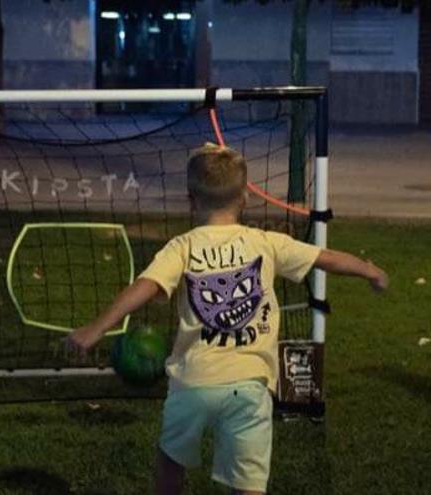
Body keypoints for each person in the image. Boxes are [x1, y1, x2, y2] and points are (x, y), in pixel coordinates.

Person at [64, 144, 388, 495]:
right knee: (247, 483)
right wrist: (369, 270)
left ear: (191, 200)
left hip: (193, 382)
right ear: (245, 197)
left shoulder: (182, 247)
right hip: (250, 385)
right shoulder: (265, 242)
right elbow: (326, 258)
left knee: (170, 464)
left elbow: (144, 287)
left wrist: (94, 329)